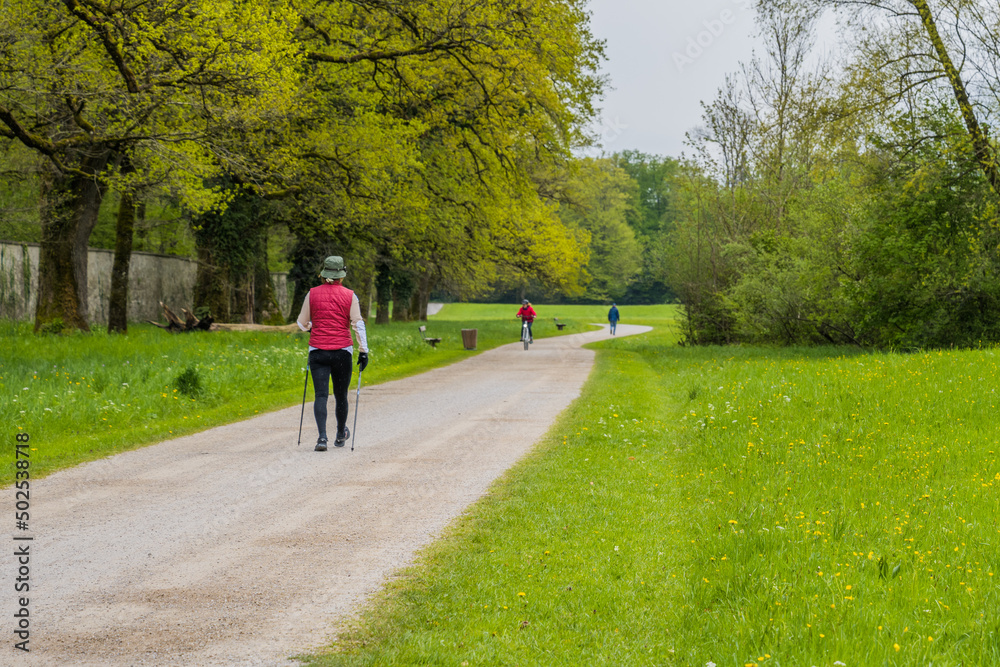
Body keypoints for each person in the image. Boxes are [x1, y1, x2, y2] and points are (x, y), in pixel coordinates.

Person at [296, 256, 370, 451]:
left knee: (321, 395)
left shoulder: (311, 294)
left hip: (318, 351)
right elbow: (357, 323)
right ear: (341, 276)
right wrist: (364, 351)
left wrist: (312, 327)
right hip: (342, 351)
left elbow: (301, 323)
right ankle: (340, 434)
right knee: (340, 395)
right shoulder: (350, 295)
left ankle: (322, 438)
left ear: (323, 274)